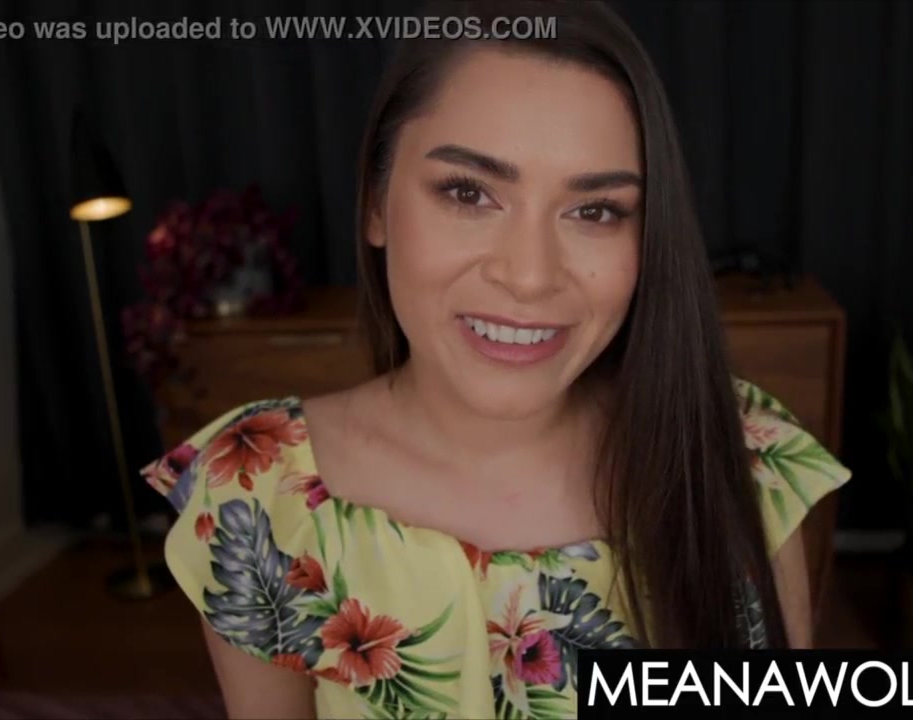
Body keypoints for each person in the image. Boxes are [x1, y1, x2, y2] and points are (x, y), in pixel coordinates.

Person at [140, 2, 851, 717]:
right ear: (376, 204)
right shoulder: (255, 493)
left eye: (595, 210)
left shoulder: (741, 454)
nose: (530, 276)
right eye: (468, 193)